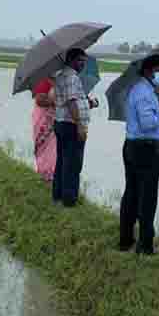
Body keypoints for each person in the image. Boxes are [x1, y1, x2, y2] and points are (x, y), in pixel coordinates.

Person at [119, 54, 159, 255]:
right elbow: (147, 123)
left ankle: (125, 240)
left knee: (132, 193)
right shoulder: (143, 92)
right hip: (145, 149)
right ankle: (145, 245)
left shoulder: (144, 90)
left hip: (134, 147)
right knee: (147, 197)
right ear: (149, 70)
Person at [53, 48, 90, 207]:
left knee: (62, 161)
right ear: (72, 60)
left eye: (84, 61)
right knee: (73, 164)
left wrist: (89, 103)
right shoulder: (71, 77)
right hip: (71, 125)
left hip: (62, 123)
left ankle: (58, 195)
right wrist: (80, 126)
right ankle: (69, 200)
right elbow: (70, 102)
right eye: (80, 60)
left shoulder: (61, 76)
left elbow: (74, 100)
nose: (83, 64)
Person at [32, 76, 57, 182]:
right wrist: (54, 102)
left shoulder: (59, 82)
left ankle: (51, 173)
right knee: (42, 146)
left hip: (54, 119)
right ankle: (43, 173)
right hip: (43, 119)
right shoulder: (43, 81)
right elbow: (39, 100)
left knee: (52, 148)